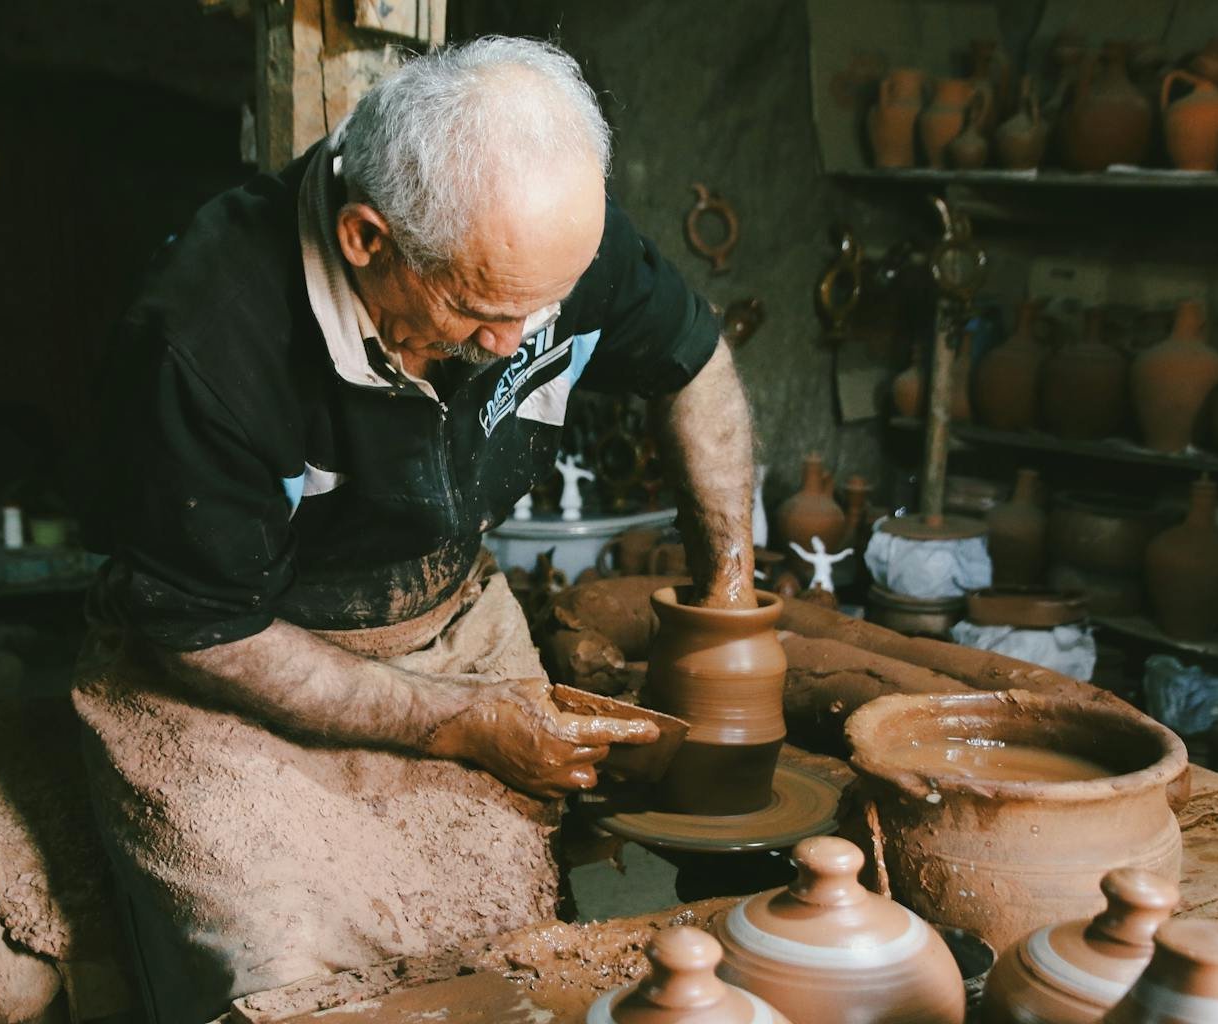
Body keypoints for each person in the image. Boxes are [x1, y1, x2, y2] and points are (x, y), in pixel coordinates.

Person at [73, 35, 756, 1024]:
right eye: (480, 311)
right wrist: (466, 722)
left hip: (445, 611)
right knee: (285, 976)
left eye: (543, 308)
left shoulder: (538, 244)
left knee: (508, 958)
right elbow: (205, 632)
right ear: (364, 239)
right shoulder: (206, 337)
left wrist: (728, 590)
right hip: (223, 663)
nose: (516, 341)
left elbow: (692, 360)